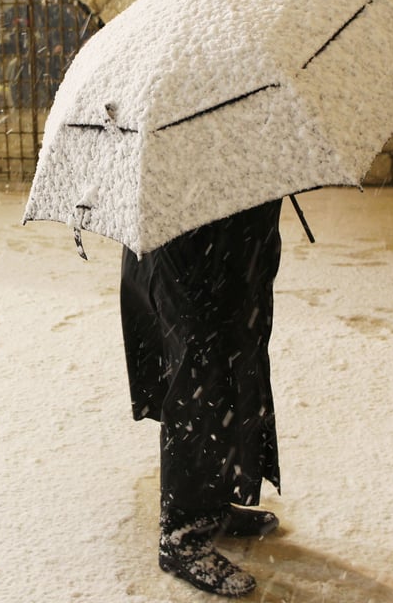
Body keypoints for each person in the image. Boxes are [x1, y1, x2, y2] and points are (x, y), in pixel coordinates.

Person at [120, 199, 284, 598]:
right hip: (188, 244)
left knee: (229, 372)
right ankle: (181, 534)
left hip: (228, 235)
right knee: (201, 381)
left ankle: (209, 503)